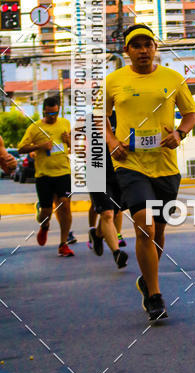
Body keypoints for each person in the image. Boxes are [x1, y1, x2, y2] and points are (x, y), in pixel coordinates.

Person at [104, 24, 195, 323]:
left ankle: (147, 278)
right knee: (145, 227)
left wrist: (180, 133)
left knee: (159, 231)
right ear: (126, 51)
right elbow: (99, 117)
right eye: (136, 45)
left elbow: (191, 113)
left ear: (155, 48)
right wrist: (112, 141)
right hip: (130, 164)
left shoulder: (173, 78)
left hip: (165, 166)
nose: (143, 50)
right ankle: (155, 297)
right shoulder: (114, 80)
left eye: (148, 44)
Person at [17, 96, 74, 256]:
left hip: (63, 172)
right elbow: (21, 148)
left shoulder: (65, 123)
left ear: (59, 110)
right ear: (44, 111)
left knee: (65, 204)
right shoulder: (35, 128)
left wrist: (69, 141)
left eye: (55, 113)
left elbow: (72, 147)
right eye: (49, 114)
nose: (52, 117)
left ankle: (64, 243)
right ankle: (44, 224)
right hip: (44, 175)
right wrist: (40, 146)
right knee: (47, 211)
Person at [88, 118, 128, 269]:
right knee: (107, 214)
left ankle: (97, 235)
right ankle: (117, 253)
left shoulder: (123, 114)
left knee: (115, 213)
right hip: (97, 172)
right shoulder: (91, 119)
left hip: (119, 171)